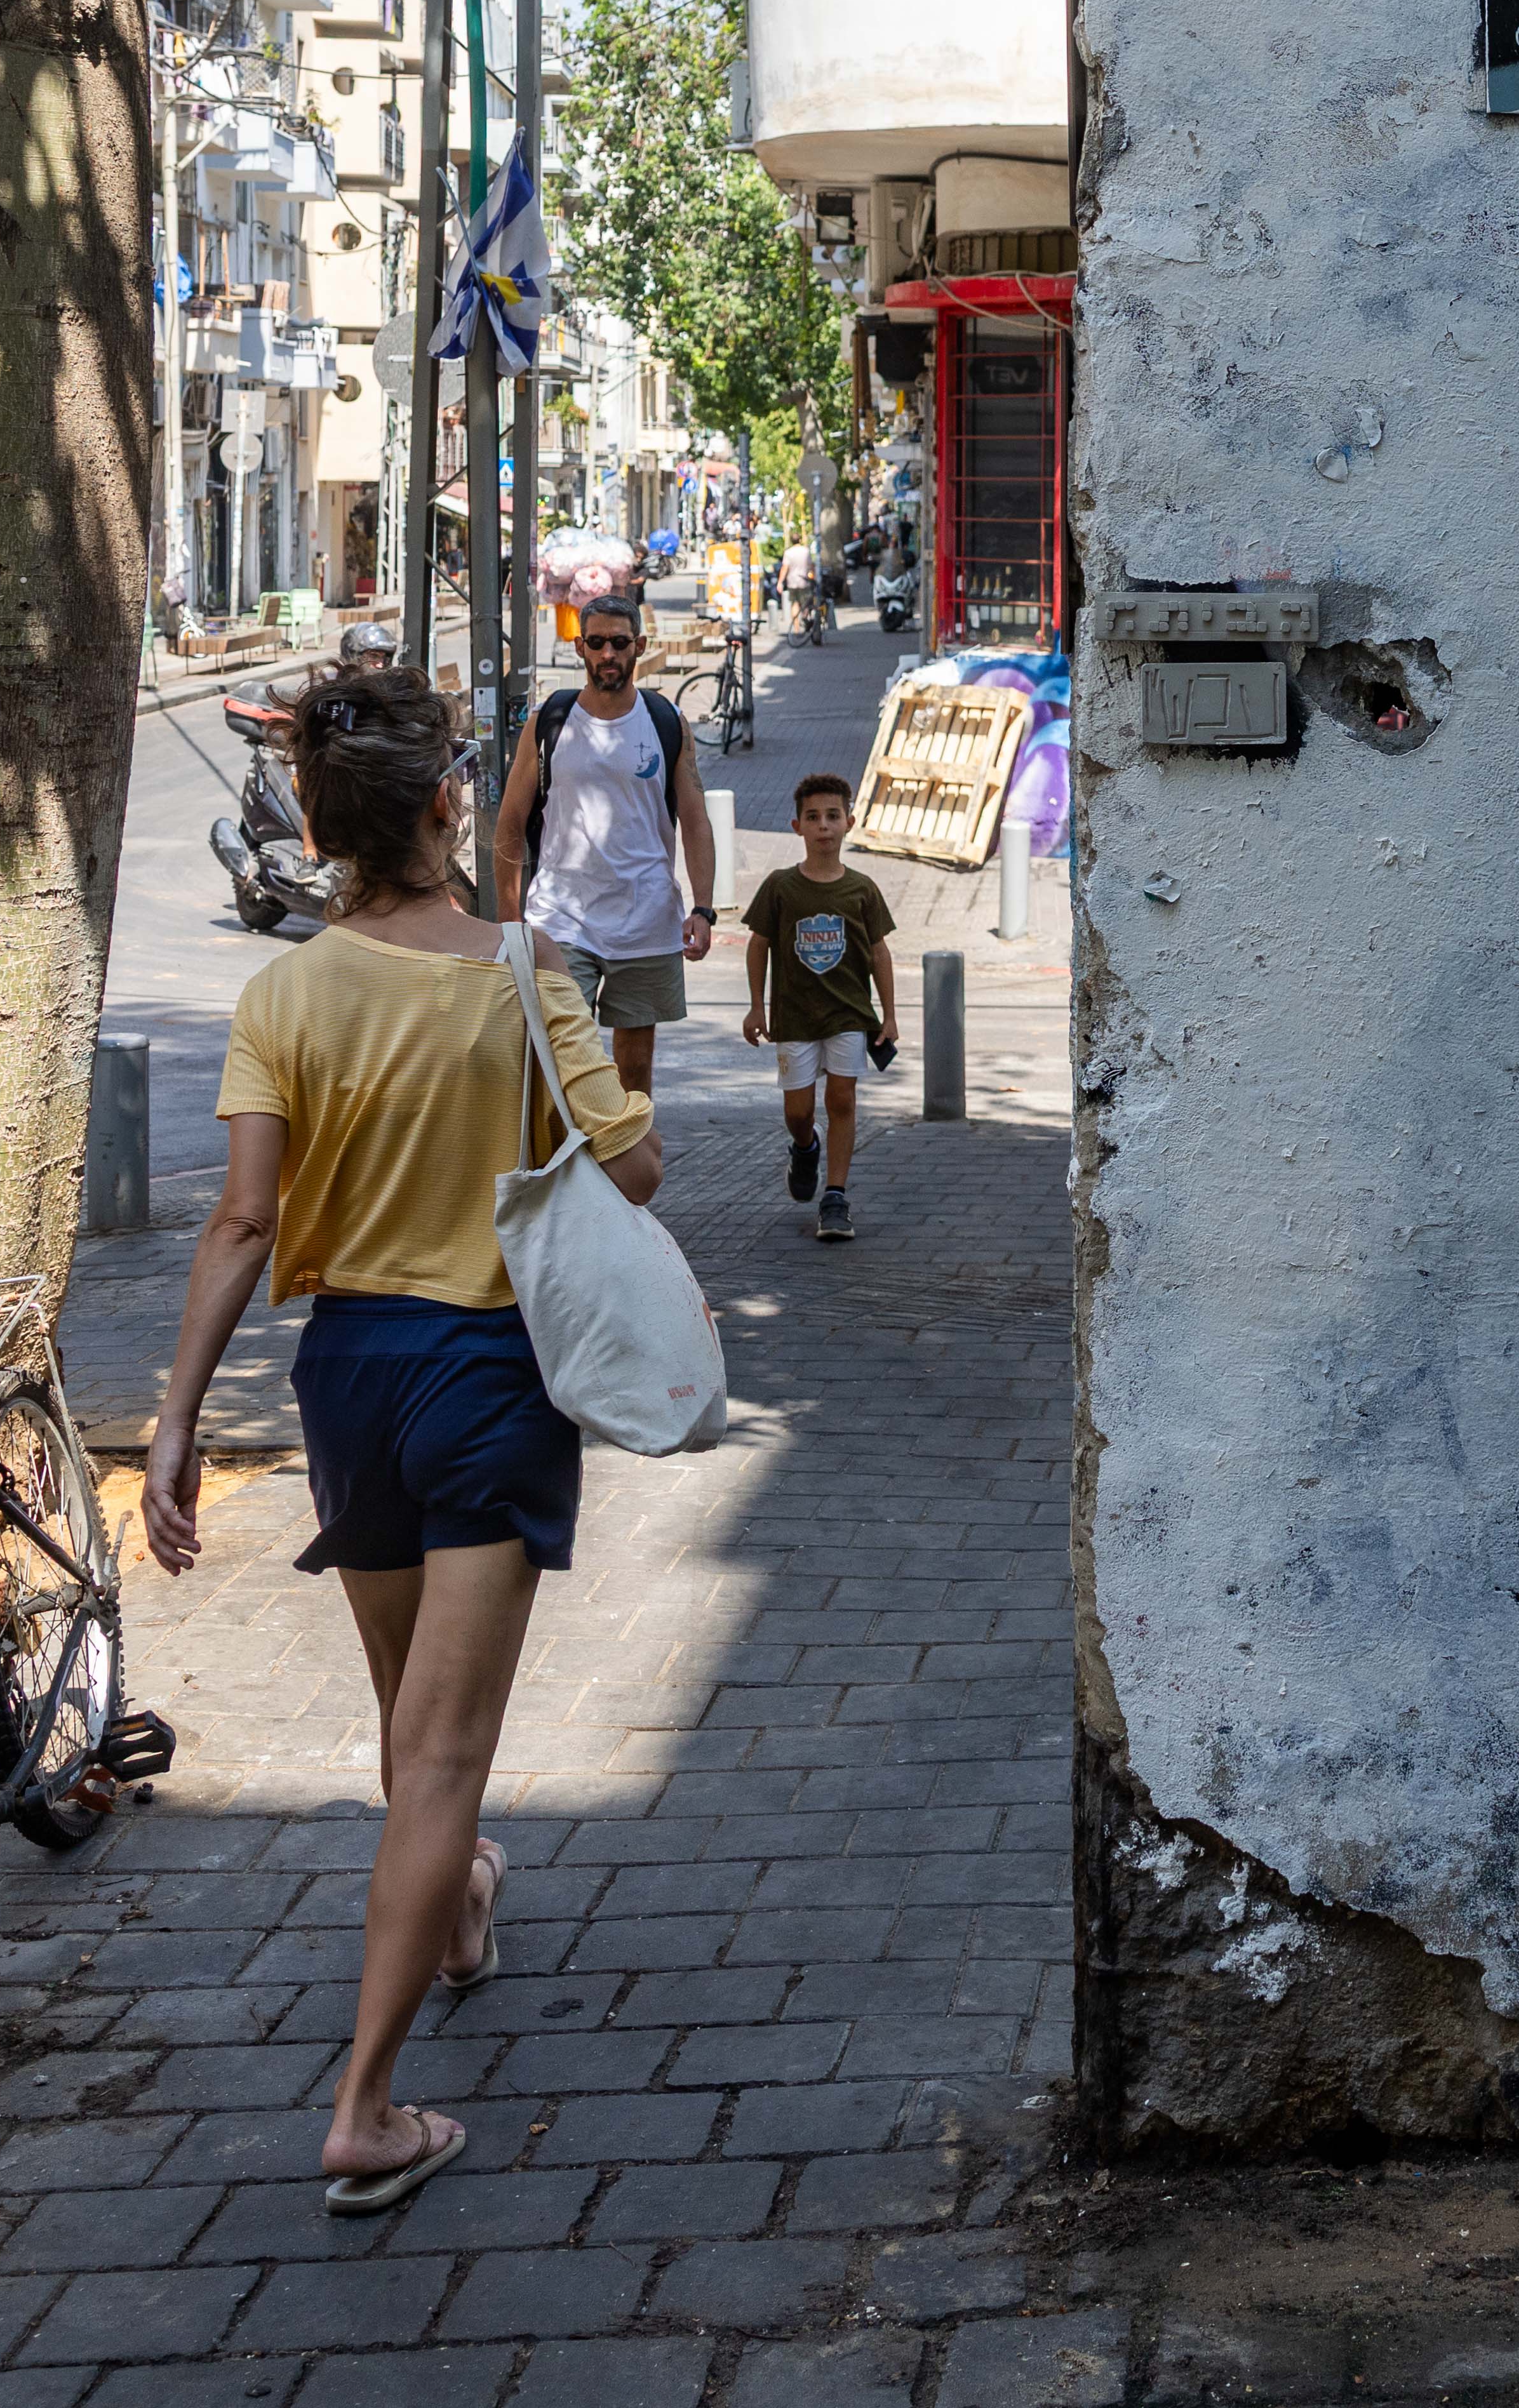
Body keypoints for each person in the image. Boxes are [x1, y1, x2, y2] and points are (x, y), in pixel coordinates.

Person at [143, 662, 666, 2216]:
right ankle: (363, 2105)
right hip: (487, 1370)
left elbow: (245, 1219)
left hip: (346, 1373)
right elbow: (636, 1167)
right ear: (451, 803)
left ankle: (458, 1907)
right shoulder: (519, 968)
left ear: (316, 818)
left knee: (404, 1711)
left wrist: (172, 1417)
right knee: (442, 1748)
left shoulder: (283, 992)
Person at [492, 594, 709, 1092]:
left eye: (619, 643)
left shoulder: (666, 721)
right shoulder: (550, 720)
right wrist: (510, 919)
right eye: (597, 643)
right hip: (562, 917)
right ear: (579, 647)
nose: (608, 654)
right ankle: (561, 1166)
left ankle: (622, 1168)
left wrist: (703, 908)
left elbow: (696, 821)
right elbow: (510, 823)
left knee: (634, 1070)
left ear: (640, 646)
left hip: (647, 917)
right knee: (558, 1060)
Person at [740, 769, 900, 1241]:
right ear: (798, 828)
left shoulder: (862, 889)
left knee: (842, 1100)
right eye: (813, 817)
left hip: (849, 1014)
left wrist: (889, 1014)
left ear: (850, 822)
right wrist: (756, 1006)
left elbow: (879, 952)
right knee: (798, 1112)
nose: (824, 826)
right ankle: (805, 1148)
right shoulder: (780, 886)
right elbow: (758, 944)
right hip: (794, 1017)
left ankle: (835, 1197)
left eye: (833, 816)